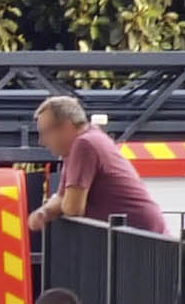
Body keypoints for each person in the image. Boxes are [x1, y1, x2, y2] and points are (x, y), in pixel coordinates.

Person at [28, 97, 167, 235]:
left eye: (45, 132)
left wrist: (56, 206)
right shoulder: (83, 142)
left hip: (139, 238)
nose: (42, 141)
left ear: (66, 126)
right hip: (139, 235)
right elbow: (62, 197)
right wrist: (44, 212)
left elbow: (73, 208)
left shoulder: (84, 144)